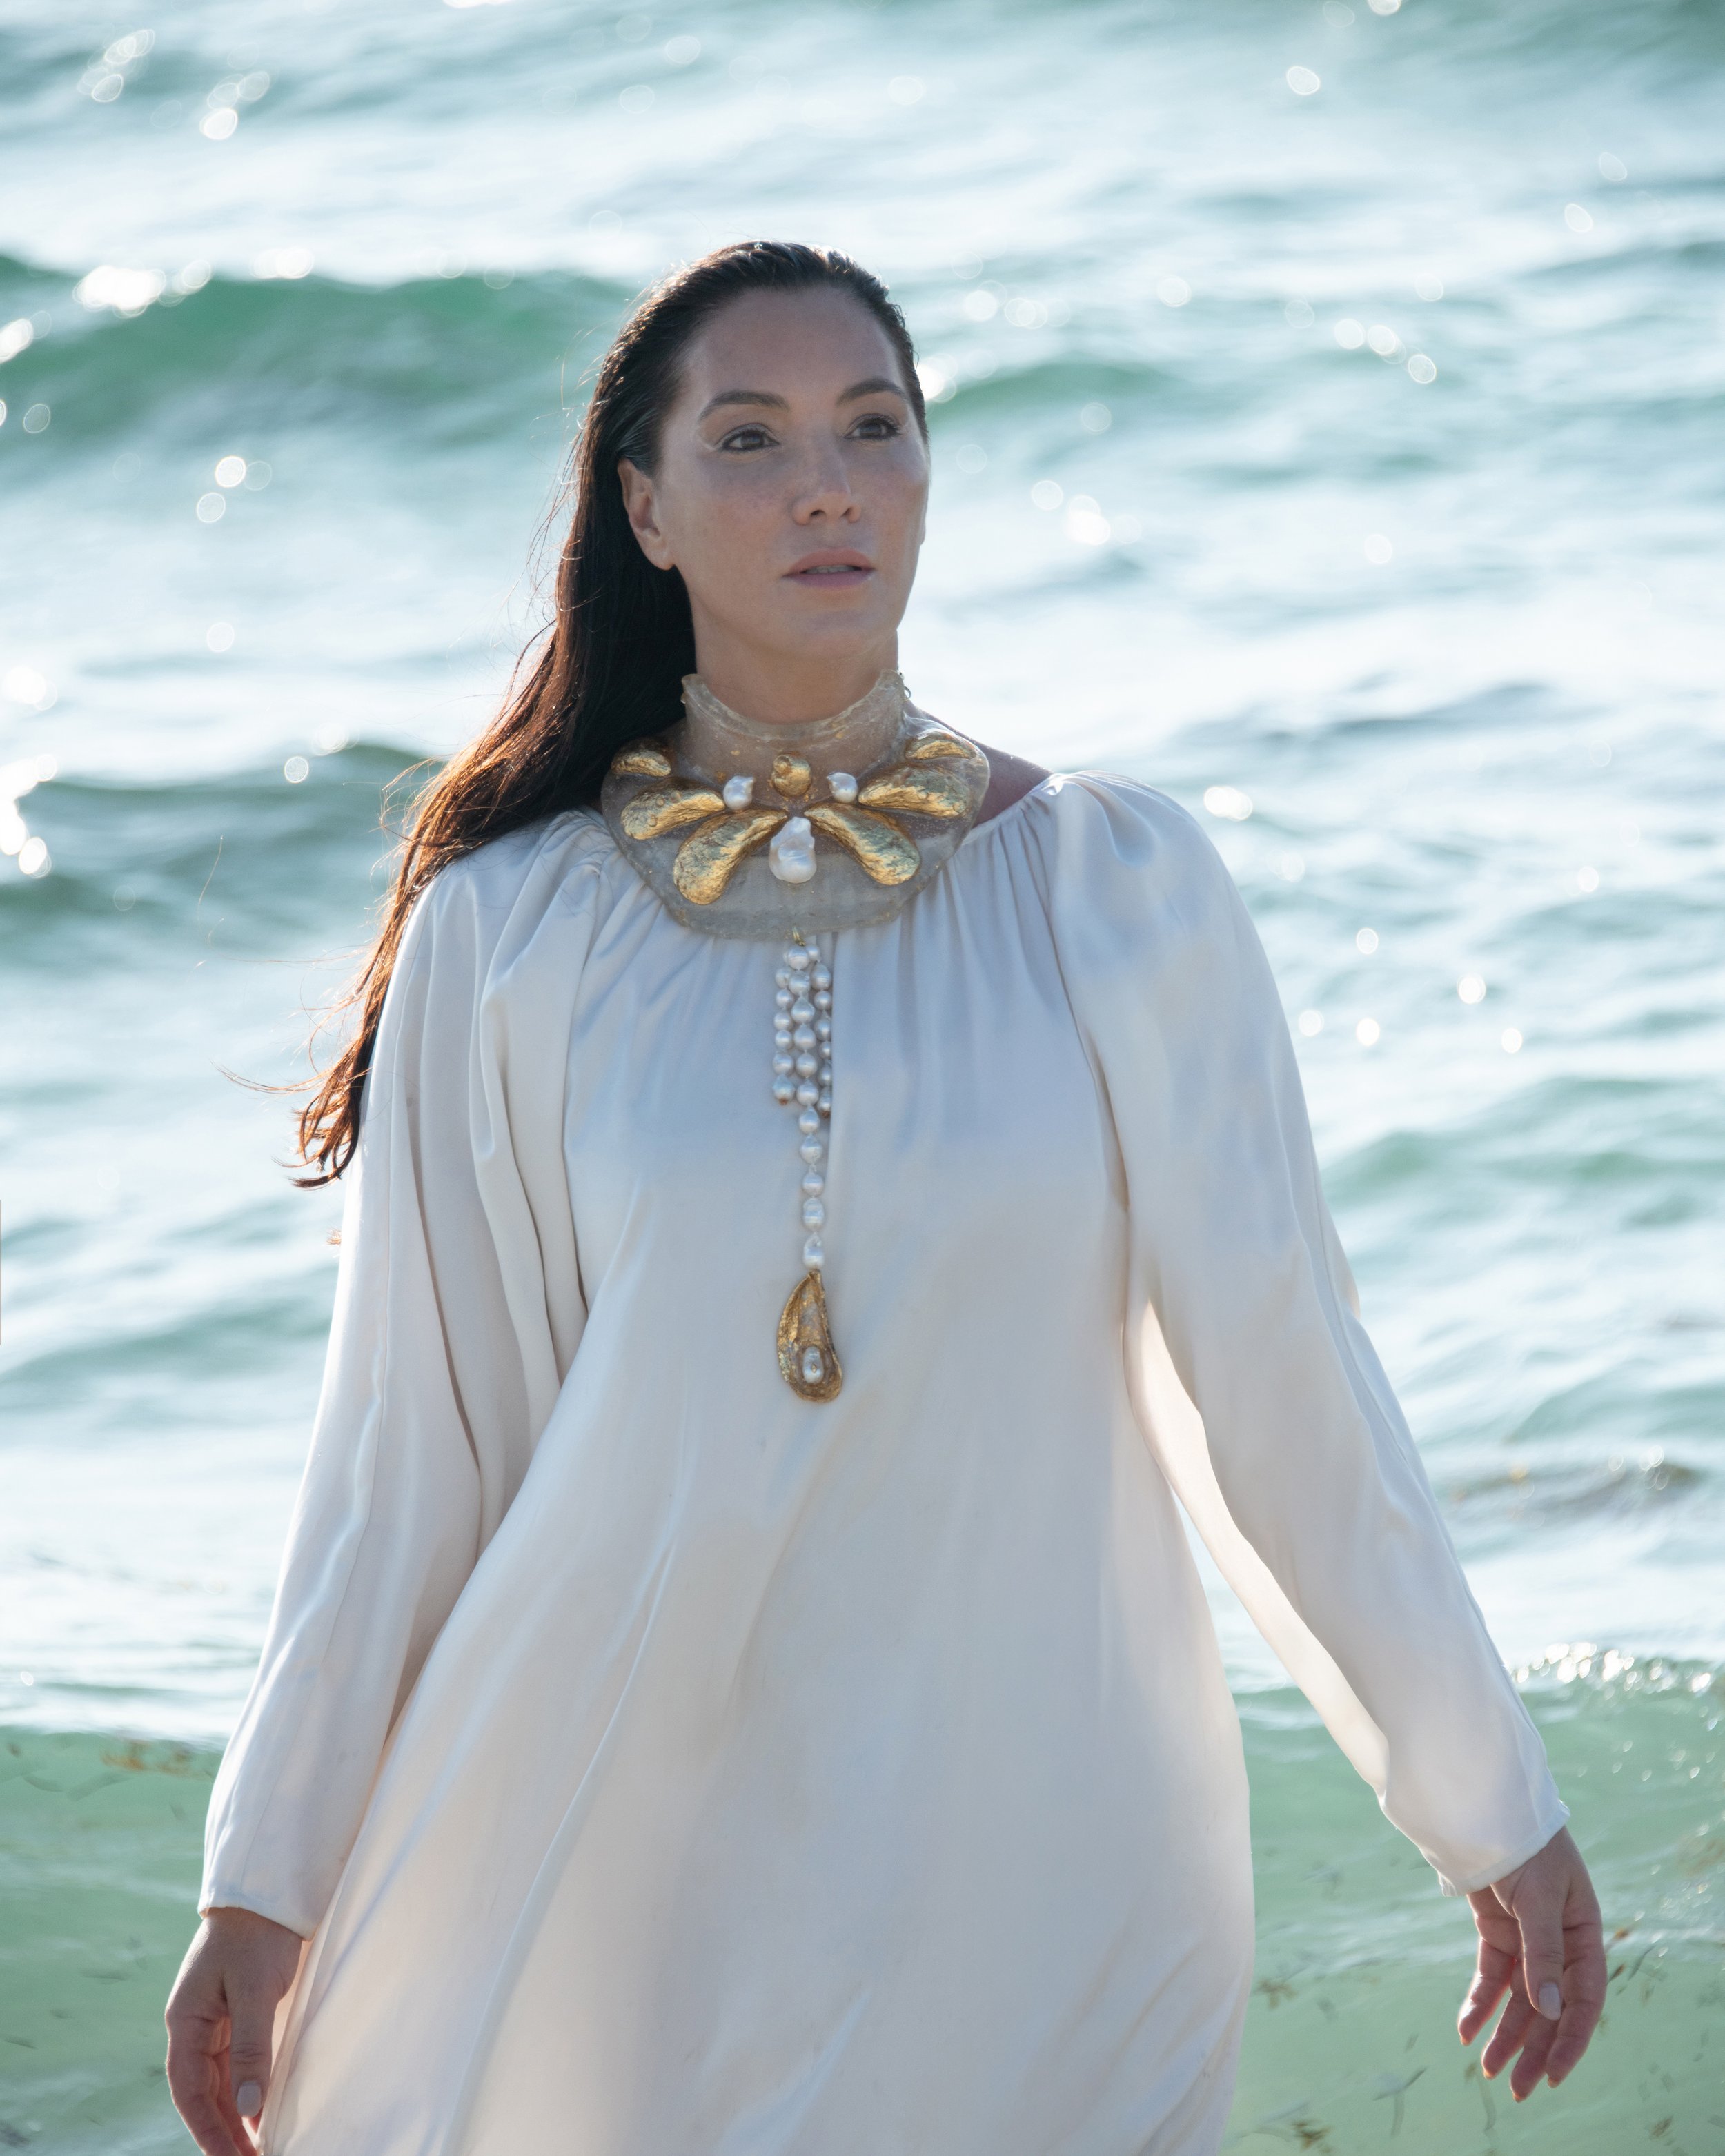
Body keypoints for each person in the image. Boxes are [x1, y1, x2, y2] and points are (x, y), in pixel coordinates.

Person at [165, 241, 1605, 2156]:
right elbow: (405, 1456)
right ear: (645, 507)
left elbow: (1287, 1380)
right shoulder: (506, 931)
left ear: (929, 473)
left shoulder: (1118, 887)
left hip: (1049, 1805)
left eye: (871, 426)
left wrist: (1482, 1793)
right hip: (629, 1817)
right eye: (748, 438)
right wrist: (265, 1879)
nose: (826, 482)